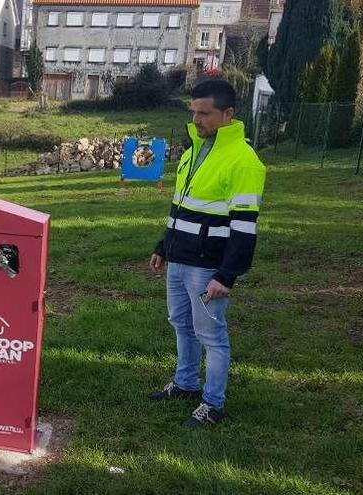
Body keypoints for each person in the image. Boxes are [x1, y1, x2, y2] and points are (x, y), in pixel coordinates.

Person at [148, 80, 266, 427]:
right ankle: (185, 384)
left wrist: (226, 275)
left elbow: (245, 227)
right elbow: (181, 206)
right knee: (181, 325)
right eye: (194, 112)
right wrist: (163, 246)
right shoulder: (195, 149)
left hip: (208, 267)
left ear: (228, 114)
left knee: (212, 337)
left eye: (205, 113)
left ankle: (212, 404)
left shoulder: (243, 161)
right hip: (179, 258)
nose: (197, 119)